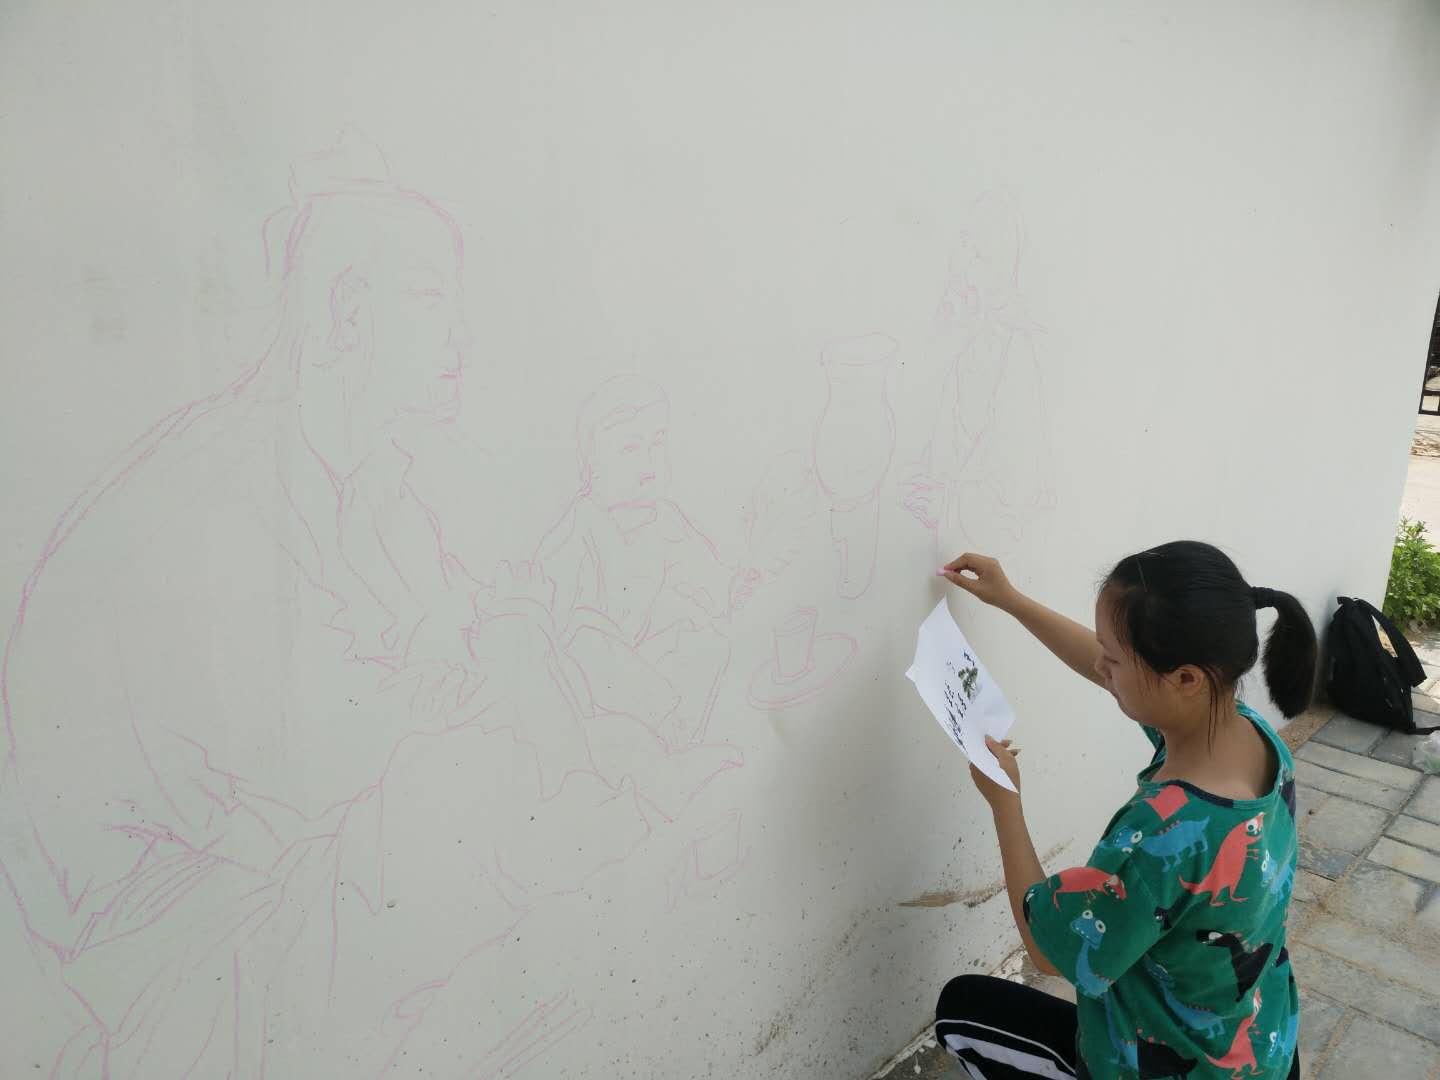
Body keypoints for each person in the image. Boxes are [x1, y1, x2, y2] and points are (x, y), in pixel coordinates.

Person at [933, 542, 1314, 1079]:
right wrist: (1011, 600)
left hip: (1164, 1069)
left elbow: (1049, 952)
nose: (1100, 666)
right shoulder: (1247, 734)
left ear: (1186, 679)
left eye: (1112, 660)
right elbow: (1110, 668)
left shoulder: (1163, 834)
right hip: (1260, 1051)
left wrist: (1005, 802)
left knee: (961, 1009)